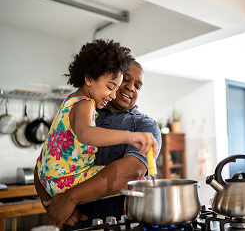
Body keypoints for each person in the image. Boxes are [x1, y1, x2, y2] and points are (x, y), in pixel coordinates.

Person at [34, 60, 162, 230]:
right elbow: (45, 160)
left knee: (139, 180)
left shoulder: (145, 125)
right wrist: (51, 202)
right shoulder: (85, 109)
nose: (131, 88)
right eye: (125, 80)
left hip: (116, 225)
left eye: (138, 86)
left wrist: (69, 198)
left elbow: (131, 172)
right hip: (73, 224)